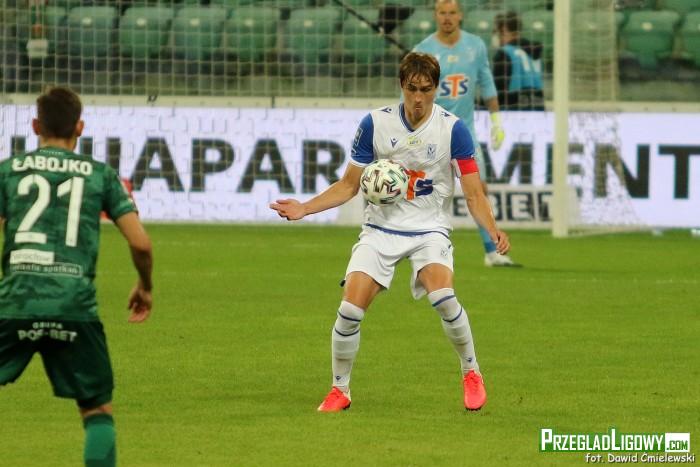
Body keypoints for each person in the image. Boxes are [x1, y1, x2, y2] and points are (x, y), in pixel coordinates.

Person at [270, 52, 510, 412]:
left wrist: (492, 229)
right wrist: (305, 208)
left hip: (429, 229)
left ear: (436, 89)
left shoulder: (453, 129)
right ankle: (340, 390)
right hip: (380, 229)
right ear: (401, 86)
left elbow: (474, 193)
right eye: (412, 89)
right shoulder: (374, 124)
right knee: (349, 311)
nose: (418, 98)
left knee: (444, 297)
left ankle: (471, 372)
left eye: (426, 90)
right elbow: (349, 185)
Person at [0, 86, 153, 467]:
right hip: (74, 307)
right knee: (97, 410)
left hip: (15, 301)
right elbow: (141, 244)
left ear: (35, 126)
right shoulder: (101, 175)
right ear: (80, 127)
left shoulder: (8, 172)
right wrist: (145, 287)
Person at [413, 0, 521, 267]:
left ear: (460, 15)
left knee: (479, 189)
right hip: (431, 132)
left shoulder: (475, 46)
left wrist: (496, 121)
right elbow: (412, 96)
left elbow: (486, 81)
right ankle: (411, 245)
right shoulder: (423, 51)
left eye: (452, 13)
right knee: (422, 192)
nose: (447, 18)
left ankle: (492, 252)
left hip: (464, 133)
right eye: (442, 13)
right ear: (435, 15)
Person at [492, 11, 545, 111]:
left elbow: (497, 93)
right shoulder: (534, 54)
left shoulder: (504, 54)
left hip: (513, 112)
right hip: (538, 111)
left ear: (504, 30)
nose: (495, 36)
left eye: (496, 32)